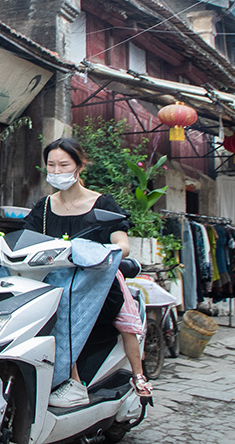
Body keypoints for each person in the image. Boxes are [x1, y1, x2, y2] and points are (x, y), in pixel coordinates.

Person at [23, 137, 151, 408]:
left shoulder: (102, 203)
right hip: (52, 283)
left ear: (79, 166)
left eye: (63, 165)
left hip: (95, 284)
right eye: (51, 165)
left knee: (67, 311)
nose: (56, 172)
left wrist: (101, 251)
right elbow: (26, 240)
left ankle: (76, 383)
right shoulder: (44, 207)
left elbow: (122, 243)